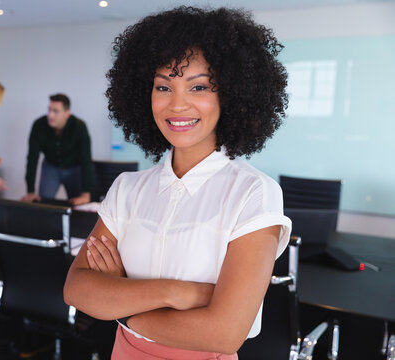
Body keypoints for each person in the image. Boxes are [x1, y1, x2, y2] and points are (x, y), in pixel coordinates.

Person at [64, 7, 291, 359]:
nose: (178, 104)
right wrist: (175, 293)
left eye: (198, 86)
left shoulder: (252, 193)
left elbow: (224, 333)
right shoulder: (127, 189)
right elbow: (77, 289)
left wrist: (120, 303)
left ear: (229, 94)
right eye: (163, 87)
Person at [21, 94, 92, 206]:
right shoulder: (38, 125)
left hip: (74, 169)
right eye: (49, 110)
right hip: (50, 167)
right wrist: (30, 191)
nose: (51, 115)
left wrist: (86, 194)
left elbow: (86, 160)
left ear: (67, 113)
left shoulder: (79, 127)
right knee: (43, 205)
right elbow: (32, 158)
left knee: (78, 206)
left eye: (56, 111)